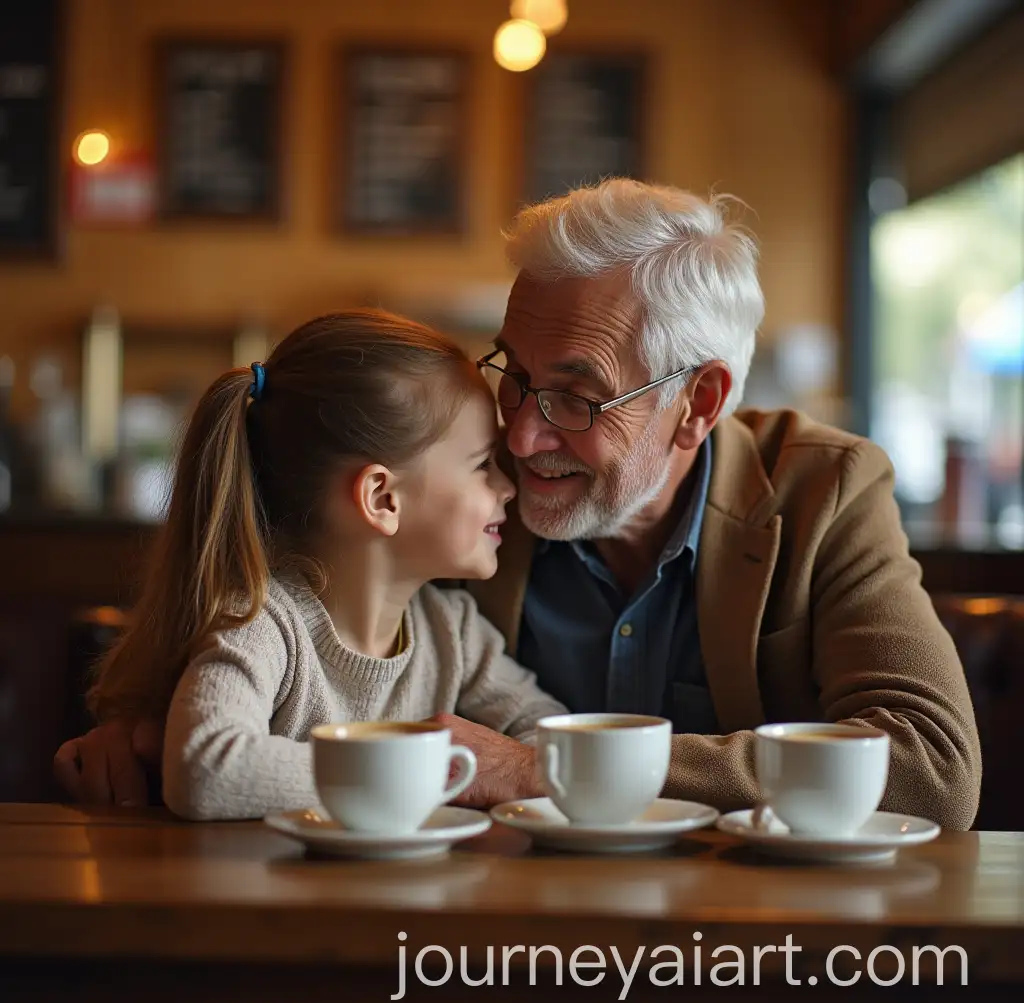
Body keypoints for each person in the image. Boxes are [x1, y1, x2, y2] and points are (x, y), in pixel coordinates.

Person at [55, 180, 981, 830]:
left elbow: (932, 772)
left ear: (697, 403)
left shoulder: (824, 491)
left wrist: (541, 769)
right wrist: (141, 724)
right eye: (514, 373)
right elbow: (279, 570)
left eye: (576, 395)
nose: (523, 436)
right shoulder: (460, 488)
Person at [73, 310, 566, 819]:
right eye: (483, 464)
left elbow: (550, 736)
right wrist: (410, 771)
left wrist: (505, 764)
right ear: (382, 498)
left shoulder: (453, 632)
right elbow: (204, 768)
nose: (507, 487)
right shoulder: (261, 624)